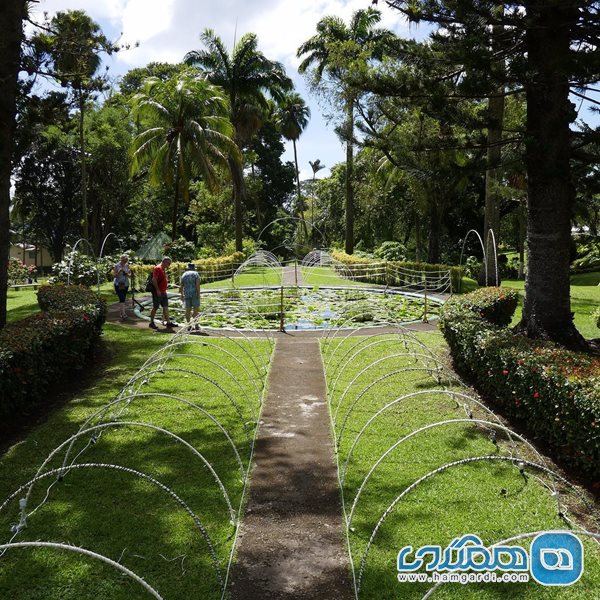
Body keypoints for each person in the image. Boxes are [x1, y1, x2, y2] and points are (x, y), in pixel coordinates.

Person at [149, 256, 175, 329]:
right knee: (155, 307)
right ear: (164, 262)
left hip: (163, 291)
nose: (169, 265)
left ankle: (168, 323)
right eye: (168, 263)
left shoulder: (163, 269)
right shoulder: (158, 268)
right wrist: (157, 290)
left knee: (165, 306)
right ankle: (151, 322)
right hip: (158, 292)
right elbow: (154, 280)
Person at [180, 262, 201, 330]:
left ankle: (188, 325)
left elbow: (181, 286)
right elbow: (197, 285)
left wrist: (181, 295)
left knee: (187, 310)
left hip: (187, 294)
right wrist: (198, 294)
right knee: (196, 310)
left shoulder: (184, 274)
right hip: (194, 294)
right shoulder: (196, 274)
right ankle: (196, 324)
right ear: (193, 268)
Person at [113, 254, 131, 320]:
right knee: (122, 298)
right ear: (121, 260)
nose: (125, 262)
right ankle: (123, 314)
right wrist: (119, 272)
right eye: (124, 260)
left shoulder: (127, 265)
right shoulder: (116, 265)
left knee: (123, 298)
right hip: (118, 284)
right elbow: (114, 275)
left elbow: (129, 275)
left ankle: (121, 312)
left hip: (125, 284)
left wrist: (126, 273)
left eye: (126, 260)